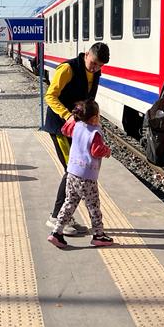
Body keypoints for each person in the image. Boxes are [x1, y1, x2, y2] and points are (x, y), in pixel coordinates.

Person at [43, 41, 110, 234]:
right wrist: (67, 116)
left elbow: (89, 100)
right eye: (94, 63)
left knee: (77, 171)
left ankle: (66, 215)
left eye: (99, 66)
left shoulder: (96, 72)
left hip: (78, 129)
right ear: (87, 53)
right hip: (61, 127)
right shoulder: (68, 69)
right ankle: (56, 216)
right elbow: (50, 96)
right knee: (71, 170)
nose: (95, 68)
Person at [48, 99, 113, 248]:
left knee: (69, 203)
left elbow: (65, 130)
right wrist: (107, 151)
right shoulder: (95, 132)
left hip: (72, 173)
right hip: (86, 176)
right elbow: (96, 151)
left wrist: (73, 119)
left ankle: (56, 233)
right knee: (93, 206)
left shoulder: (77, 125)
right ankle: (98, 235)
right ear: (95, 117)